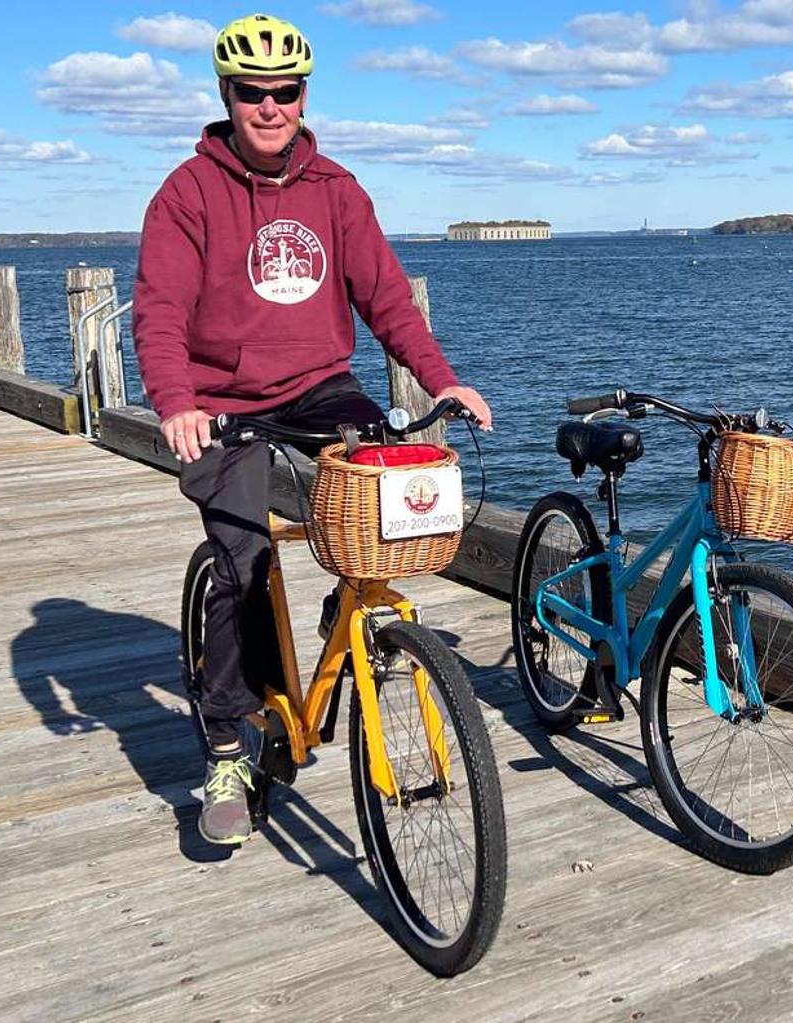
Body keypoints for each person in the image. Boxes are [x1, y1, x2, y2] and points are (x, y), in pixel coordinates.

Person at [132, 12, 492, 846]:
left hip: (320, 388)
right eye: (251, 92)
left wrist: (442, 380)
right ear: (227, 96)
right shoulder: (187, 193)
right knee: (243, 559)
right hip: (224, 400)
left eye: (285, 91)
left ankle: (354, 614)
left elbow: (387, 298)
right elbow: (159, 310)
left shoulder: (335, 188)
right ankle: (229, 744)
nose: (269, 107)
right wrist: (177, 402)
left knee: (391, 493)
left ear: (303, 96)